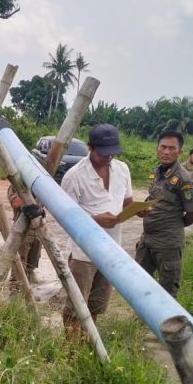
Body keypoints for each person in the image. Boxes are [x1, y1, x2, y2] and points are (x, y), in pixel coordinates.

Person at [60, 124, 133, 338]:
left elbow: (126, 201)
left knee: (96, 305)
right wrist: (95, 220)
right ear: (90, 147)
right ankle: (71, 350)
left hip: (111, 251)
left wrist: (138, 210)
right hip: (84, 253)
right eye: (103, 153)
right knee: (76, 306)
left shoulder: (122, 169)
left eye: (113, 152)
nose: (109, 157)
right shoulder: (74, 176)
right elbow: (64, 217)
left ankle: (88, 344)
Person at [135, 130, 193, 298]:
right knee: (139, 282)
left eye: (172, 148)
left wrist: (172, 225)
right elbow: (154, 199)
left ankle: (162, 323)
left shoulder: (184, 179)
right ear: (157, 149)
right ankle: (143, 317)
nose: (166, 152)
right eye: (163, 147)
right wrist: (142, 211)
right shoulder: (157, 171)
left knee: (167, 291)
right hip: (147, 239)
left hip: (168, 244)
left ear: (180, 152)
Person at [7, 184, 42, 281]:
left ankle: (29, 288)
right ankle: (15, 290)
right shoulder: (15, 186)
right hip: (23, 229)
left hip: (38, 229)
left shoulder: (39, 185)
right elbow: (16, 202)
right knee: (20, 264)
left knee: (33, 262)